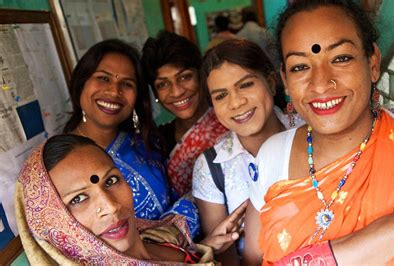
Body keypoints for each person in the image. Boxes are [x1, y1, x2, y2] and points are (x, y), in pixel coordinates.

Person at [244, 0, 394, 265]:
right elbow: (253, 259)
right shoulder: (272, 154)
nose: (320, 83)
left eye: (341, 58)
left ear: (373, 62)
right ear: (285, 80)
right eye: (300, 67)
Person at [194, 39, 394, 265]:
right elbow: (226, 254)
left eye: (246, 85)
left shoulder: (316, 122)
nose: (236, 102)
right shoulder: (213, 165)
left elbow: (368, 123)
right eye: (220, 95)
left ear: (272, 82)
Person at [15, 134, 247, 264]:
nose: (111, 207)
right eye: (78, 199)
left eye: (111, 181)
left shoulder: (152, 236)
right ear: (51, 223)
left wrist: (206, 247)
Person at [62, 39, 199, 236]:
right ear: (81, 83)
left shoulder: (147, 143)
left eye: (126, 84)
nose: (114, 91)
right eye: (103, 78)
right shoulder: (60, 165)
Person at [141, 31, 228, 197]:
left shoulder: (232, 118)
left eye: (185, 77)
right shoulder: (159, 142)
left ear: (201, 76)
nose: (177, 92)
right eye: (163, 84)